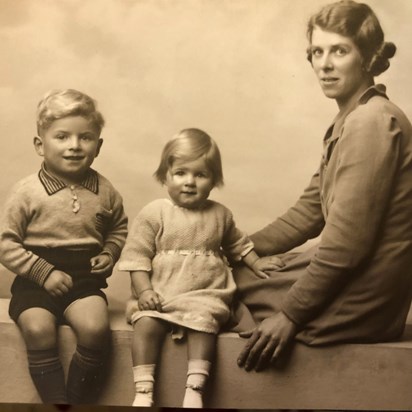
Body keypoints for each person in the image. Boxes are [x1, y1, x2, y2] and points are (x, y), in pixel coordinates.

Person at [235, 0, 412, 372]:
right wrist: (234, 247)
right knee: (226, 270)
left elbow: (347, 244)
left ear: (366, 57)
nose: (325, 64)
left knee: (226, 287)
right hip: (355, 272)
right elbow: (309, 211)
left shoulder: (372, 122)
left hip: (366, 294)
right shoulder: (351, 119)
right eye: (317, 51)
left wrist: (290, 314)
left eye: (339, 51)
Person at [118, 128, 282, 408]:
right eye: (180, 173)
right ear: (165, 175)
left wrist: (257, 262)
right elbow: (138, 258)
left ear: (214, 180)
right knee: (145, 323)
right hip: (161, 292)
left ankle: (195, 389)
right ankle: (143, 391)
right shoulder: (155, 213)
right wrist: (144, 291)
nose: (189, 182)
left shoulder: (220, 214)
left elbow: (238, 246)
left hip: (204, 292)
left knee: (204, 325)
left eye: (200, 175)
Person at [0, 89, 128, 404]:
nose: (74, 146)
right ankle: (55, 403)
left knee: (96, 328)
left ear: (97, 147)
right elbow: (5, 243)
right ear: (40, 145)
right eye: (62, 137)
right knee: (38, 328)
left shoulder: (105, 190)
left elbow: (119, 228)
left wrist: (109, 253)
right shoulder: (27, 192)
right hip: (35, 283)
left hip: (84, 281)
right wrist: (44, 274)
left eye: (85, 138)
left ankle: (76, 402)